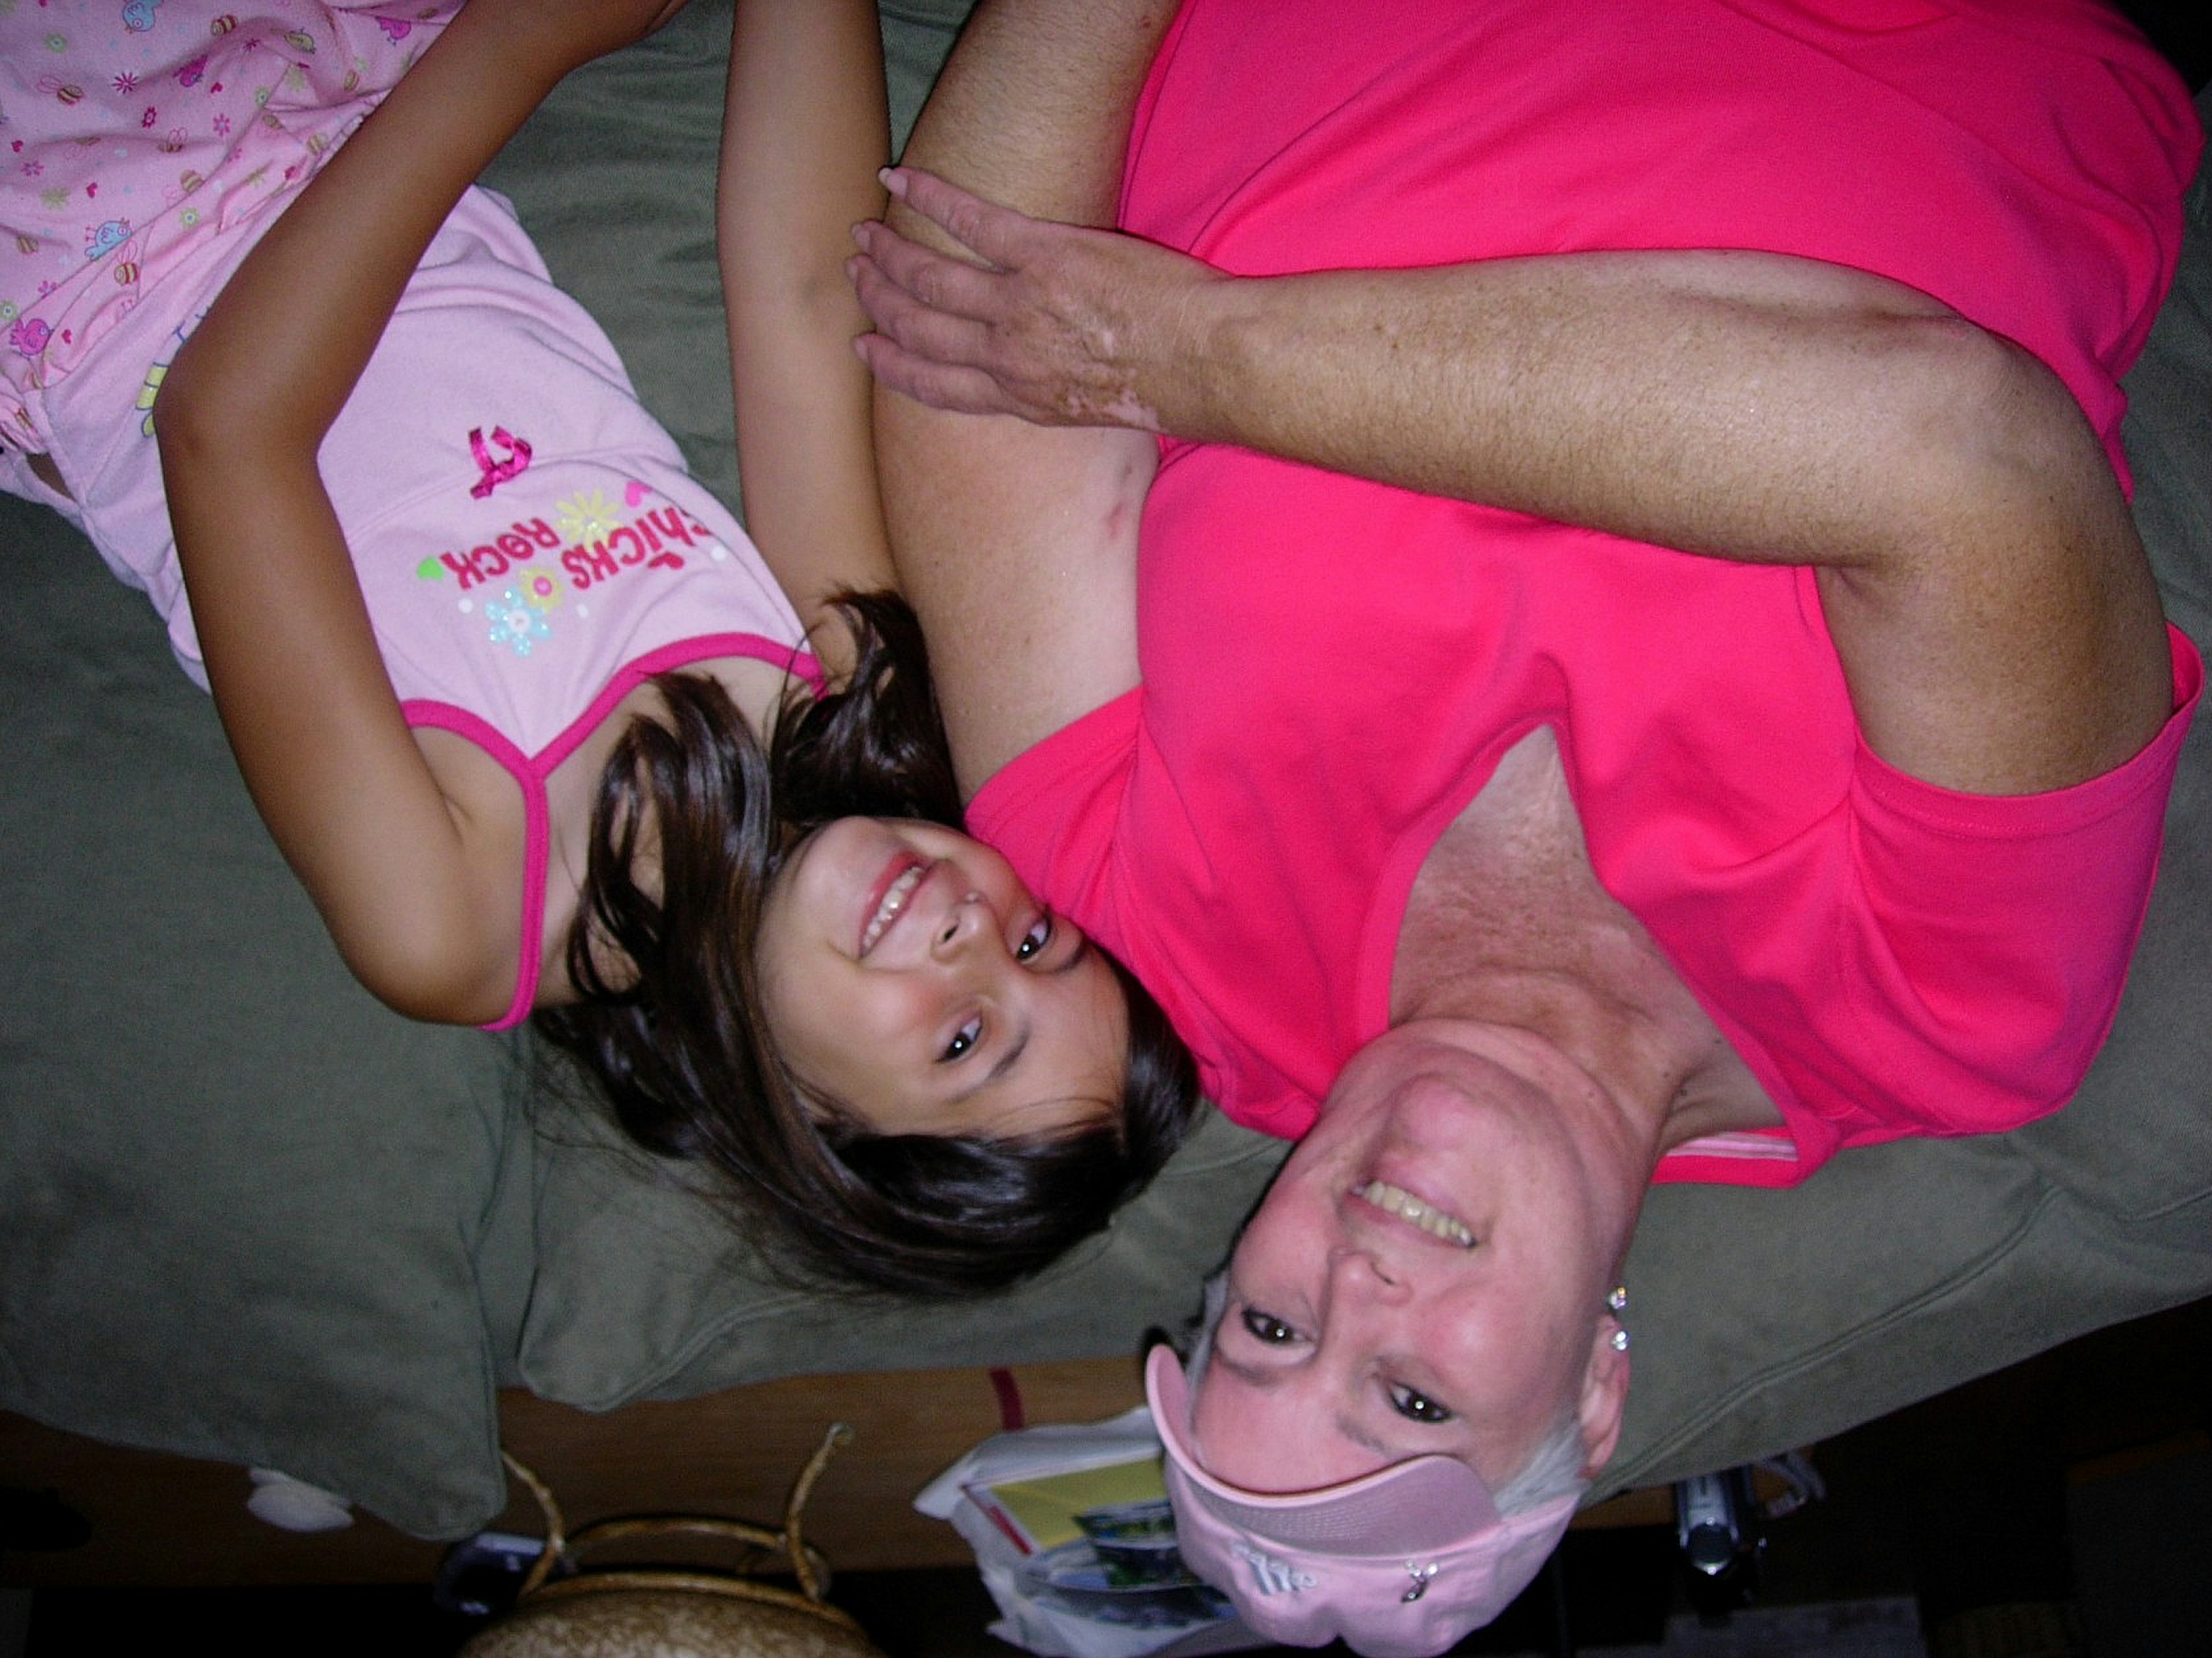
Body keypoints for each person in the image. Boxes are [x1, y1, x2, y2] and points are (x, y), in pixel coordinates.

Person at [849, 0, 2202, 1647]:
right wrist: (1193, 358)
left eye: (1268, 1329)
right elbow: (1956, 454)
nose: (1353, 1285)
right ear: (1600, 1390)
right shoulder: (1946, 1012)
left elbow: (960, 329)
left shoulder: (1163, 943)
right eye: (1414, 1399)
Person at [0, 0, 1197, 1298]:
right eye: (1038, 943)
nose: (977, 925)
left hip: (89, 263)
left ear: (818, 1131)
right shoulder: (830, 699)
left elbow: (227, 431)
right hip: (344, 90)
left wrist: (524, 43)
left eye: (963, 1040)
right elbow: (808, 294)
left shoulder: (457, 923)